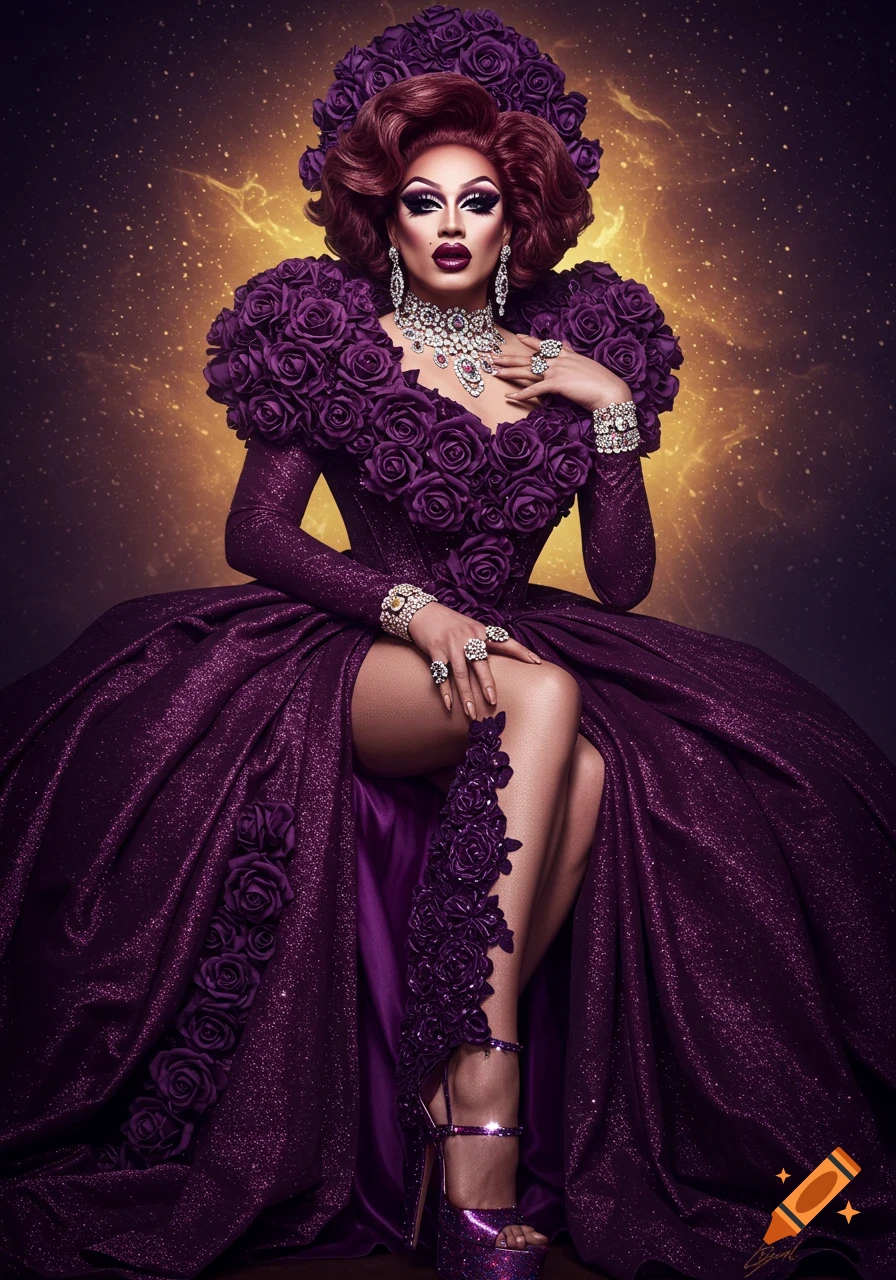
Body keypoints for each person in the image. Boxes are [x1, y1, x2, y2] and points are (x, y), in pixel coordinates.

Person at [1, 13, 895, 1280]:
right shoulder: (329, 338)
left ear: (515, 216)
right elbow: (255, 532)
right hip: (352, 645)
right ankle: (483, 1124)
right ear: (387, 218)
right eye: (423, 203)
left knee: (587, 760)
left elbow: (623, 583)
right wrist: (405, 607)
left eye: (478, 201)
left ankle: (443, 1083)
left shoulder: (580, 352)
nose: (452, 226)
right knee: (549, 695)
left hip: (516, 656)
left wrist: (612, 415)